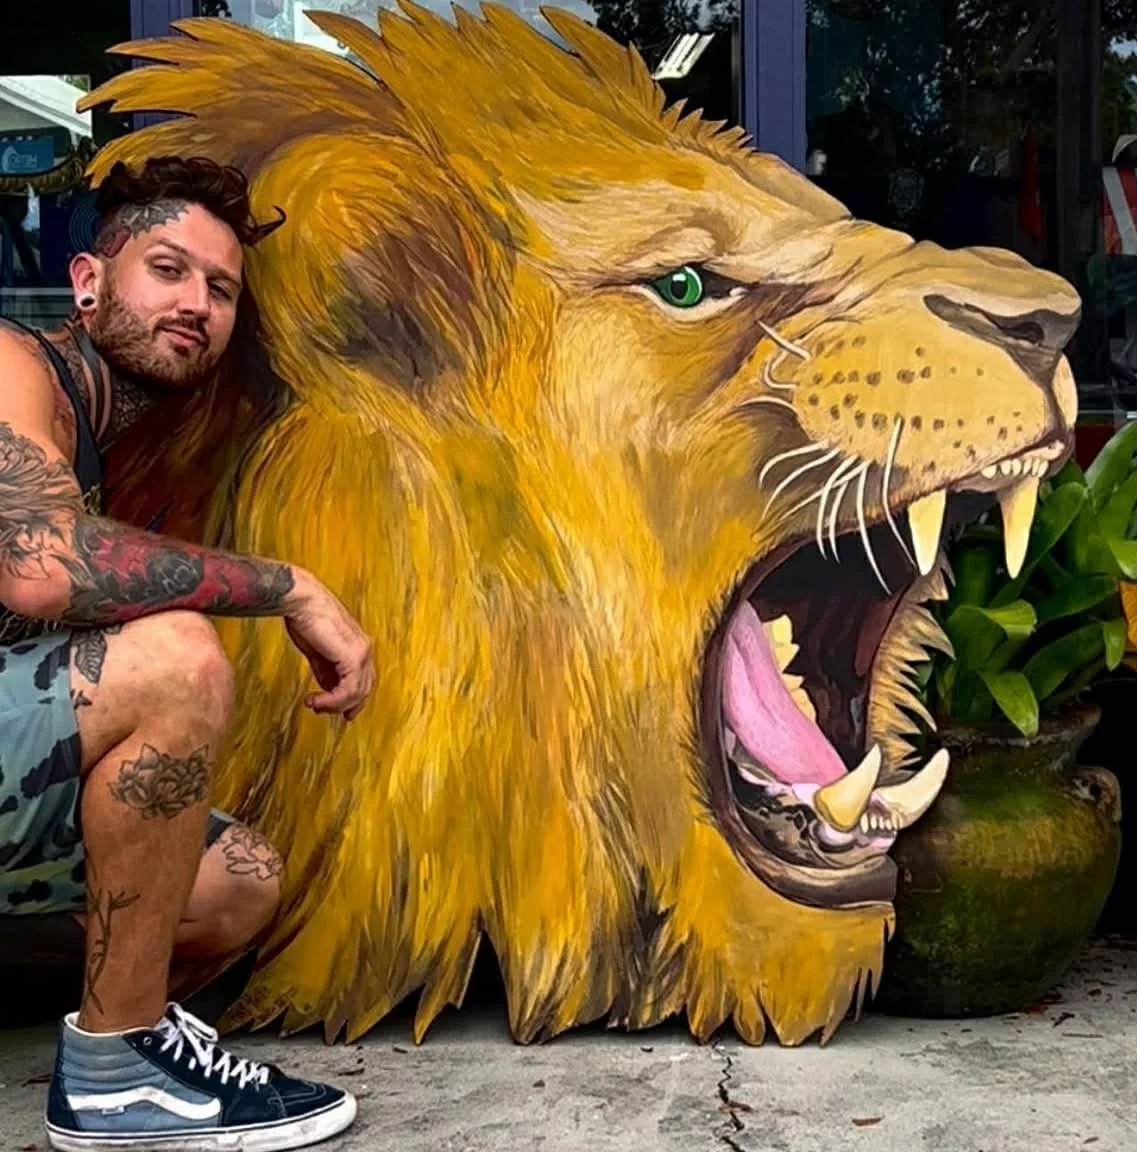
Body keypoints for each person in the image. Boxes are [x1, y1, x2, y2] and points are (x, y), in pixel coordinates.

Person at [0, 155, 375, 1151]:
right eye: (167, 269)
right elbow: (40, 568)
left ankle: (115, 1020)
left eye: (219, 289)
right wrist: (289, 586)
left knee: (235, 879)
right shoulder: (10, 364)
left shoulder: (98, 438)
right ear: (87, 283)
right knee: (170, 657)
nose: (197, 304)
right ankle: (119, 1071)